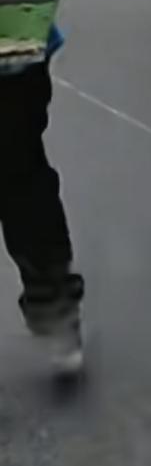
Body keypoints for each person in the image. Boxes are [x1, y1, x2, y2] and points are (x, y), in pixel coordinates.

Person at [0, 23, 84, 376]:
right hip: (15, 40)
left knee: (20, 176)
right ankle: (53, 304)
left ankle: (53, 303)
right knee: (21, 174)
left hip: (13, 44)